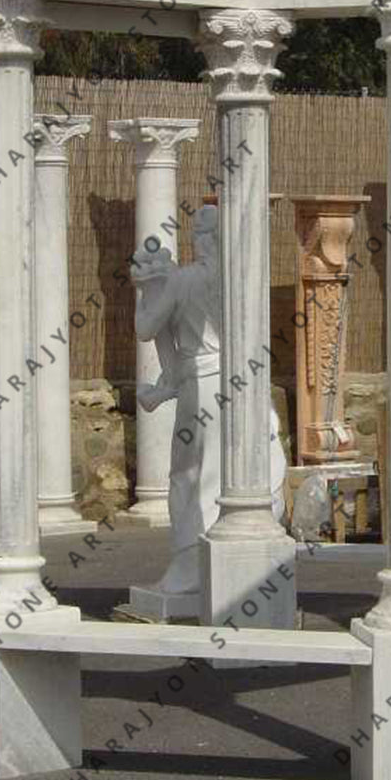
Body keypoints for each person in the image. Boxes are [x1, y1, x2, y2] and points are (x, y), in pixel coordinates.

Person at [131, 205, 286, 596]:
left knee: (191, 474)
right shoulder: (244, 279)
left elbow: (146, 328)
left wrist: (144, 290)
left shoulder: (184, 279)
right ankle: (239, 559)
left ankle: (190, 566)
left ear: (206, 239)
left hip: (200, 389)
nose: (197, 241)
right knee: (241, 466)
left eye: (200, 234)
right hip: (243, 385)